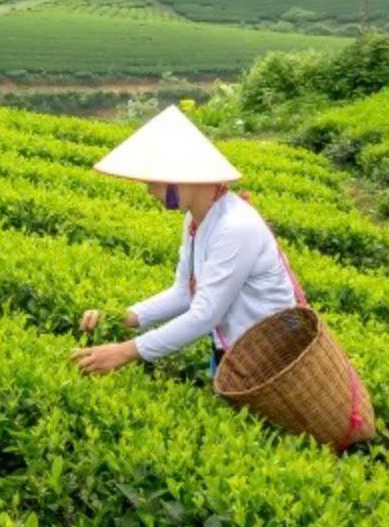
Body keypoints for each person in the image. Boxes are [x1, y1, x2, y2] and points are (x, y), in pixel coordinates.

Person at [71, 106, 298, 377]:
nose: (150, 190)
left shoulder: (235, 226)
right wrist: (121, 317)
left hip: (272, 360)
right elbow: (184, 293)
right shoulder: (195, 220)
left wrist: (125, 351)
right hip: (233, 351)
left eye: (155, 180)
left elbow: (205, 315)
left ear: (184, 176)